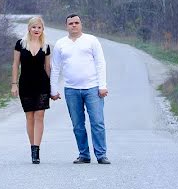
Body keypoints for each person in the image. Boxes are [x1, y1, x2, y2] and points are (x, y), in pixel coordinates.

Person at [50, 13, 110, 164]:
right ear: (67, 26)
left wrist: (102, 86)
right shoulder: (60, 44)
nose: (74, 25)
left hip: (92, 88)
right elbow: (55, 67)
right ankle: (84, 154)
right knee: (78, 124)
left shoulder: (91, 40)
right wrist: (53, 89)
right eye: (71, 23)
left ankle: (101, 154)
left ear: (81, 24)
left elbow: (100, 63)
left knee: (97, 122)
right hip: (71, 89)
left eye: (77, 23)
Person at [11, 16, 52, 164]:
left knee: (39, 115)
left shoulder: (46, 46)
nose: (36, 30)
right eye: (34, 27)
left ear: (42, 29)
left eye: (39, 27)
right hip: (26, 84)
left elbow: (48, 68)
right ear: (29, 28)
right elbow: (15, 65)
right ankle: (32, 148)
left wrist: (52, 88)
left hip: (42, 84)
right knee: (29, 117)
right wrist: (13, 84)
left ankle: (37, 149)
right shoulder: (20, 44)